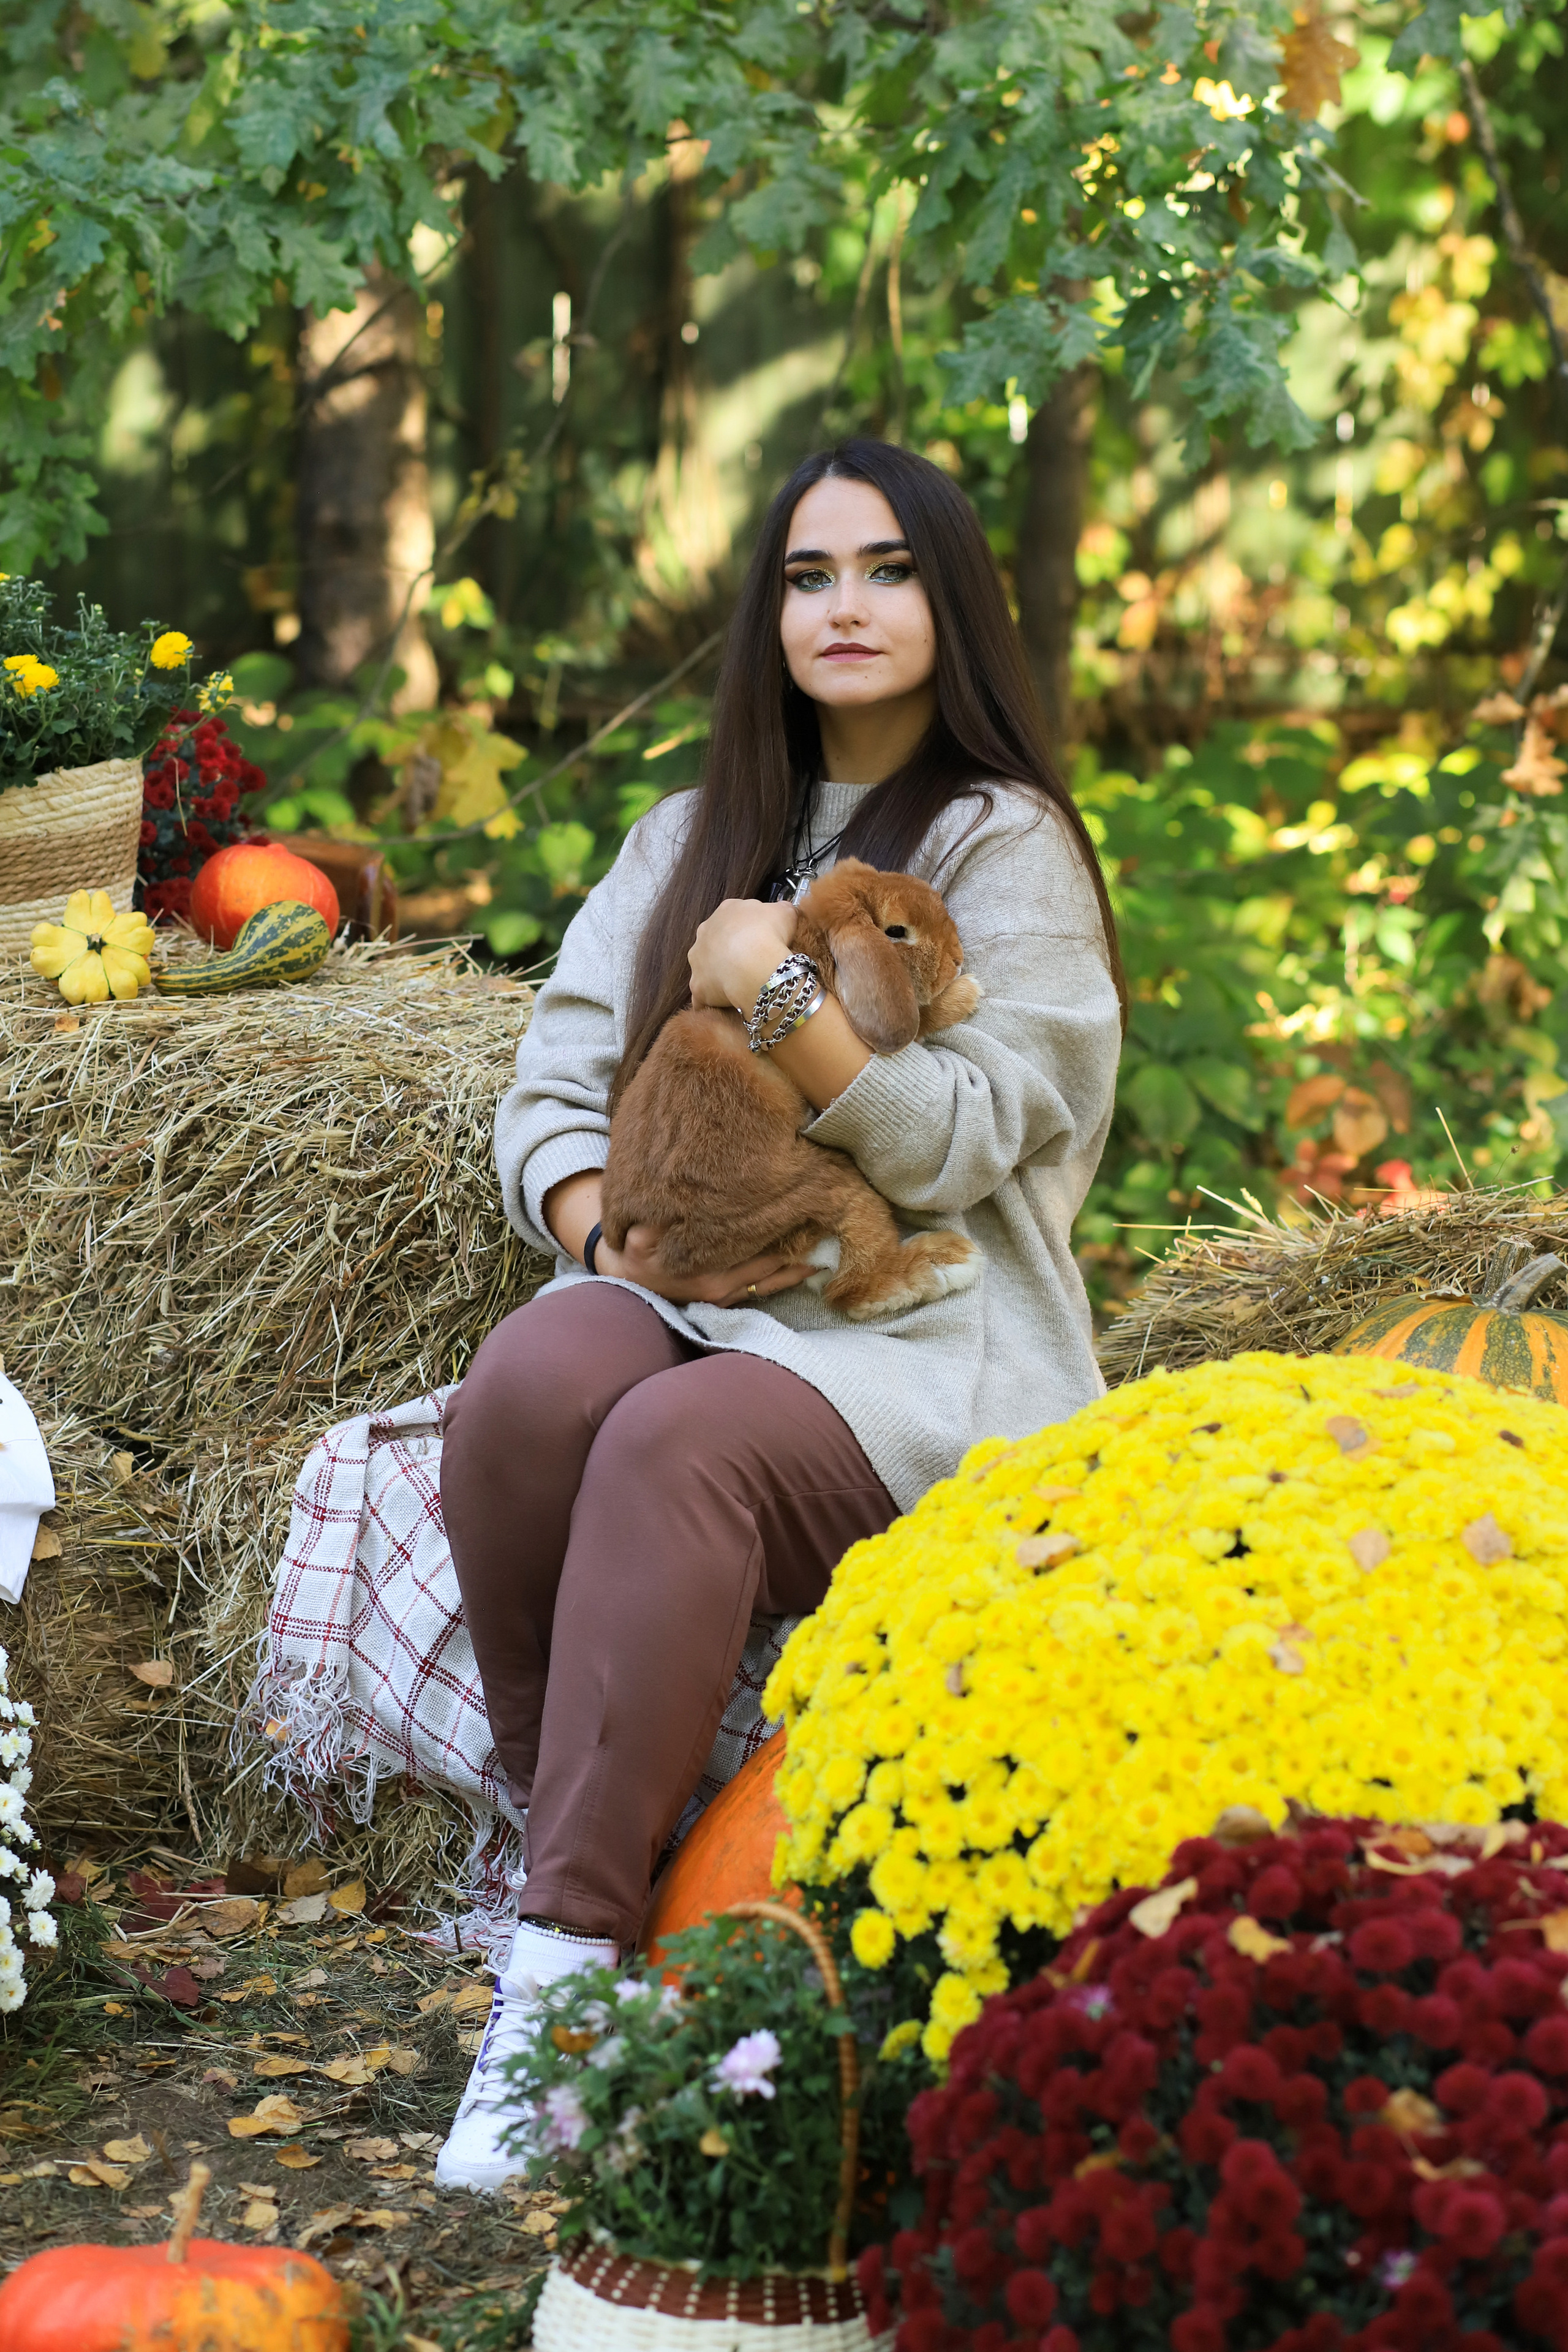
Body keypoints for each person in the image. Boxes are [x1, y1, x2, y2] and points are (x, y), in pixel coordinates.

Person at [433, 437, 1126, 2190]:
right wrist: (608, 1236)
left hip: (925, 1335)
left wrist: (786, 990)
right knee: (533, 1379)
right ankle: (574, 1860)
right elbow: (550, 1088)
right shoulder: (687, 836)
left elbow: (972, 1143)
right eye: (810, 576)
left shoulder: (1008, 846)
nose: (846, 607)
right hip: (697, 1287)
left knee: (675, 1441)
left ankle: (562, 1999)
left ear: (950, 601)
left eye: (887, 569)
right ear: (771, 615)